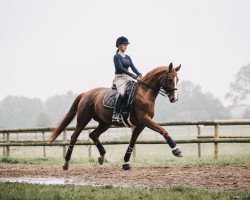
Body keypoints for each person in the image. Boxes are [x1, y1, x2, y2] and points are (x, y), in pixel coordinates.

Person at [112, 36, 142, 122]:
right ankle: (116, 113)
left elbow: (133, 67)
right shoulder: (116, 56)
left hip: (127, 78)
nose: (126, 46)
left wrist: (139, 74)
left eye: (126, 45)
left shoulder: (128, 57)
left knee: (135, 91)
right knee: (122, 93)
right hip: (119, 78)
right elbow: (120, 68)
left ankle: (127, 111)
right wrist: (131, 74)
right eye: (124, 45)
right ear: (118, 46)